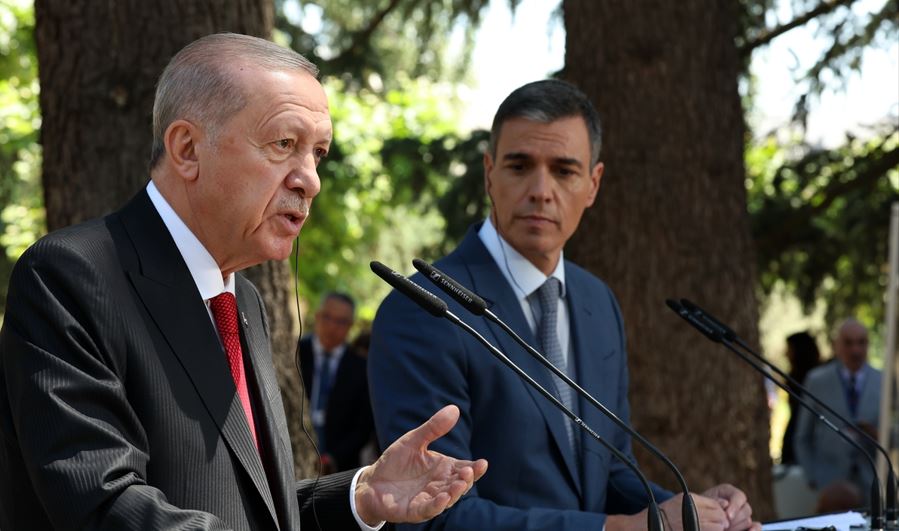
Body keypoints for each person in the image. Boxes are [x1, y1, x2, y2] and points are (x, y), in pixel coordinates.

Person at [0, 33, 486, 531]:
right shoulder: (71, 275)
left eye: (318, 153)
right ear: (187, 149)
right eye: (284, 144)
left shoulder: (242, 301)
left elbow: (251, 509)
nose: (310, 180)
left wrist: (360, 497)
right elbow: (104, 505)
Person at [368, 79, 758, 531]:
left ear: (593, 184)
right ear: (490, 173)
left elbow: (610, 472)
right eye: (519, 166)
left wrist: (694, 513)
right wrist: (619, 529)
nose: (541, 189)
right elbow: (434, 517)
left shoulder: (598, 301)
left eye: (564, 171)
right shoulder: (424, 309)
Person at [794, 318, 881, 499]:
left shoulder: (884, 381)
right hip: (829, 484)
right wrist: (812, 477)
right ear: (837, 345)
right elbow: (802, 436)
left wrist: (876, 433)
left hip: (872, 484)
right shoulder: (817, 380)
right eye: (848, 343)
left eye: (861, 342)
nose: (855, 350)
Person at [298, 292, 374, 472]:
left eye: (341, 321)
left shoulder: (361, 368)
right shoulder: (296, 353)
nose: (332, 326)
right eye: (327, 317)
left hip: (338, 466)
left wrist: (333, 458)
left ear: (351, 325)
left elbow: (363, 425)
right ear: (317, 316)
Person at [780, 331, 822, 465]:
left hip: (810, 442)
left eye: (789, 349)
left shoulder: (814, 379)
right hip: (794, 439)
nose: (786, 354)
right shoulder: (794, 377)